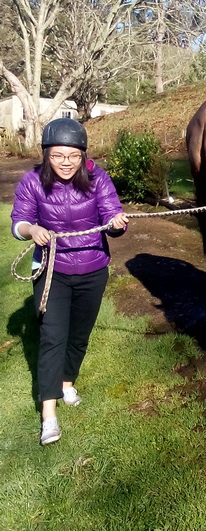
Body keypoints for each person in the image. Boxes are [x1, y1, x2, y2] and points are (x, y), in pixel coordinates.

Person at [11, 118, 128, 446]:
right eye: (58, 155)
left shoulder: (97, 178)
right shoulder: (33, 181)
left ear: (83, 155)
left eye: (73, 156)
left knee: (79, 335)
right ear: (46, 154)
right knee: (52, 338)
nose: (66, 162)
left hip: (93, 269)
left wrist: (116, 223)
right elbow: (18, 222)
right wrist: (32, 230)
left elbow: (111, 215)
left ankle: (66, 383)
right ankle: (49, 415)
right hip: (52, 271)